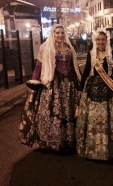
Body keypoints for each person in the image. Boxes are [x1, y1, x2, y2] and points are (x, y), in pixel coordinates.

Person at [18, 24, 82, 152]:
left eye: (62, 33)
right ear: (53, 34)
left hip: (69, 84)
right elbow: (38, 66)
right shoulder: (45, 47)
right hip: (52, 82)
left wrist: (80, 84)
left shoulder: (69, 47)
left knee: (69, 111)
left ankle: (69, 139)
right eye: (57, 33)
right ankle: (52, 140)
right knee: (53, 110)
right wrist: (34, 81)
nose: (60, 35)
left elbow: (74, 66)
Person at [76, 30, 113, 160]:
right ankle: (93, 148)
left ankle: (112, 149)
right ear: (95, 41)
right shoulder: (91, 54)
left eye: (103, 39)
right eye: (98, 40)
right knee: (93, 118)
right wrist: (80, 88)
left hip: (111, 89)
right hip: (93, 89)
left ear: (107, 40)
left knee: (112, 117)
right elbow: (87, 70)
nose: (100, 42)